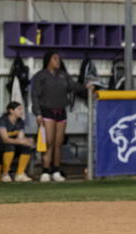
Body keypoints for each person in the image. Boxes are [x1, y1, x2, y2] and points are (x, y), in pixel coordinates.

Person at [31, 51, 93, 182]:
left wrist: (86, 87)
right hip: (47, 111)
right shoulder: (40, 76)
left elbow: (74, 86)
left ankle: (56, 170)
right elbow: (35, 95)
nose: (58, 61)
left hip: (61, 112)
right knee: (48, 143)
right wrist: (37, 113)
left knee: (58, 144)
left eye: (58, 59)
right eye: (55, 59)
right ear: (48, 61)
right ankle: (45, 171)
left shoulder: (63, 75)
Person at [0, 102, 34, 182]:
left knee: (26, 147)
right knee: (10, 147)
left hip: (14, 144)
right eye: (19, 109)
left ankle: (20, 174)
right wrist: (21, 142)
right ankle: (5, 174)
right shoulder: (2, 121)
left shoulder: (20, 122)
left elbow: (20, 137)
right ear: (11, 111)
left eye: (22, 109)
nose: (21, 111)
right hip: (0, 145)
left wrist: (26, 141)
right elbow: (5, 139)